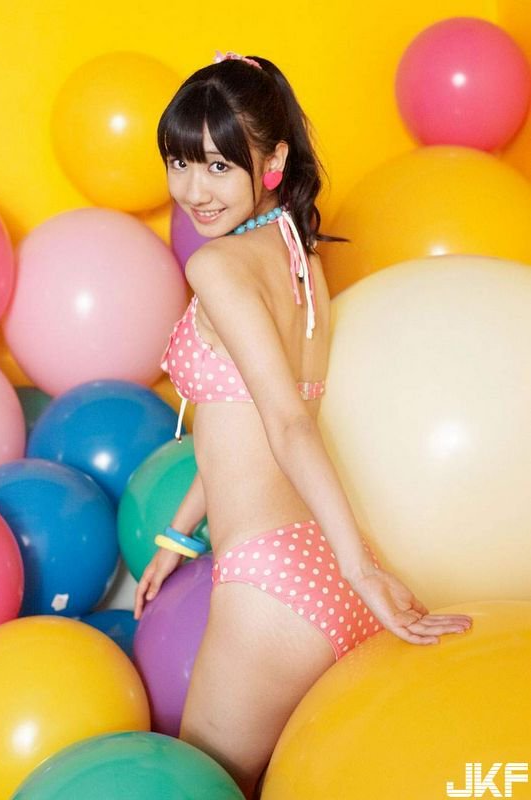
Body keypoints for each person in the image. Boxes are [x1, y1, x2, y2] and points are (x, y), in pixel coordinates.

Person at [134, 51, 472, 799]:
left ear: (274, 161)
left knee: (203, 785)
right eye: (179, 163)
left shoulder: (217, 268)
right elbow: (243, 424)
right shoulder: (299, 256)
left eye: (218, 166)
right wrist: (177, 536)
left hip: (275, 587)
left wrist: (363, 571)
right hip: (315, 562)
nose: (193, 190)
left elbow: (288, 425)